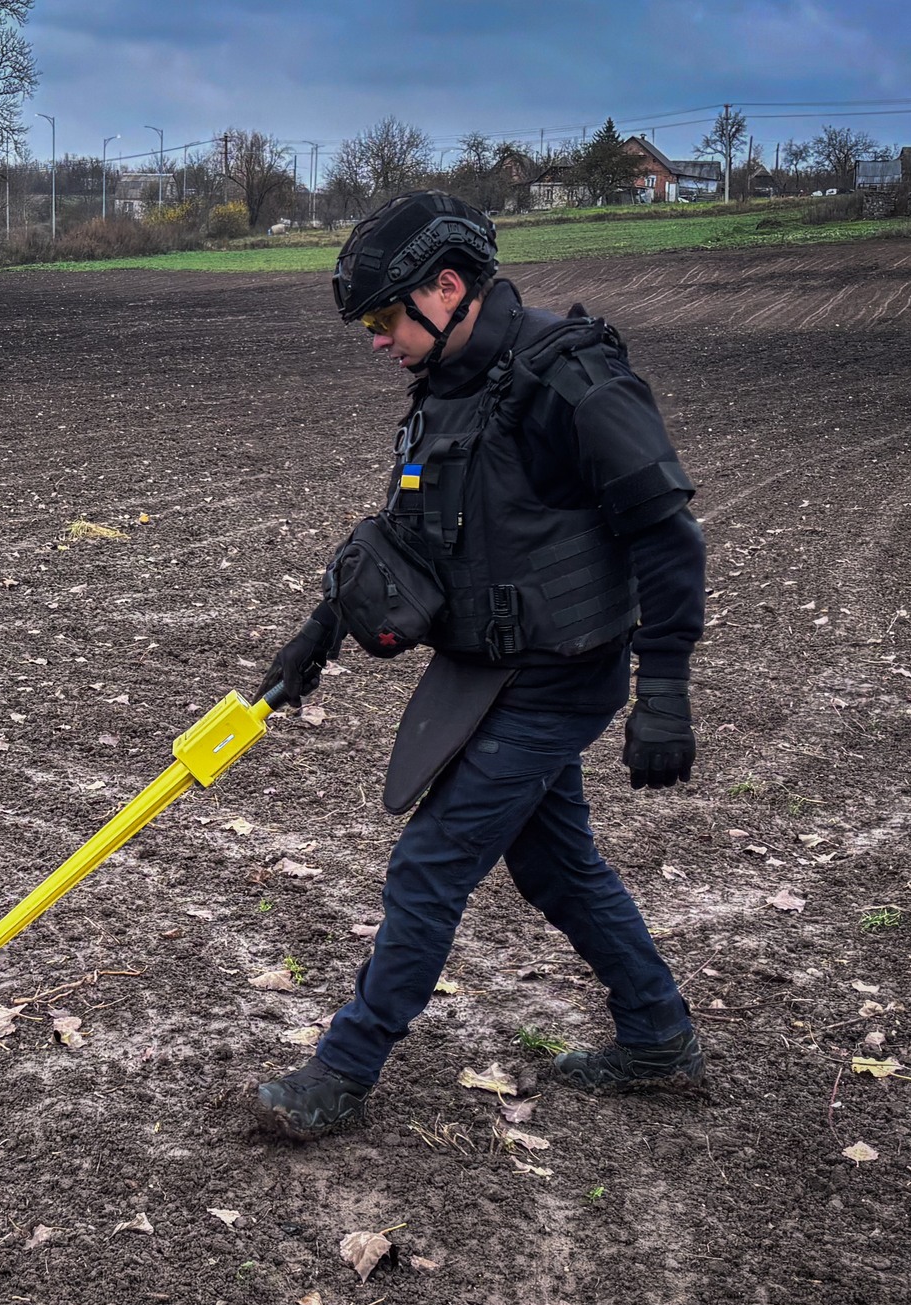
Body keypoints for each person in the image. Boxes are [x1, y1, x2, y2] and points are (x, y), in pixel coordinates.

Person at [251, 190, 707, 1141]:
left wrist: (662, 688)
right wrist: (317, 638)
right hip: (484, 671)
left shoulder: (570, 379)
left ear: (446, 288)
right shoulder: (448, 390)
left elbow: (668, 535)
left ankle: (343, 1070)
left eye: (385, 319)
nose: (378, 341)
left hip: (562, 673)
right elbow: (405, 540)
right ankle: (659, 1034)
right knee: (556, 863)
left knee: (430, 864)